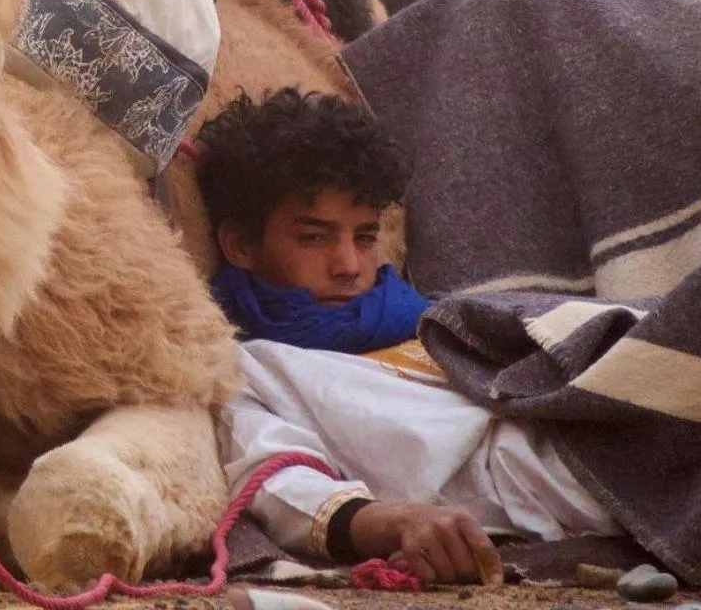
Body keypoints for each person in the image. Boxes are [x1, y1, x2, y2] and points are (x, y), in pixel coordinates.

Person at [197, 88, 621, 587]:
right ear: (240, 245)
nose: (349, 266)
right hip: (586, 478)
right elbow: (276, 478)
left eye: (364, 237)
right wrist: (395, 522)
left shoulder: (437, 318)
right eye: (313, 237)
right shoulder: (249, 367)